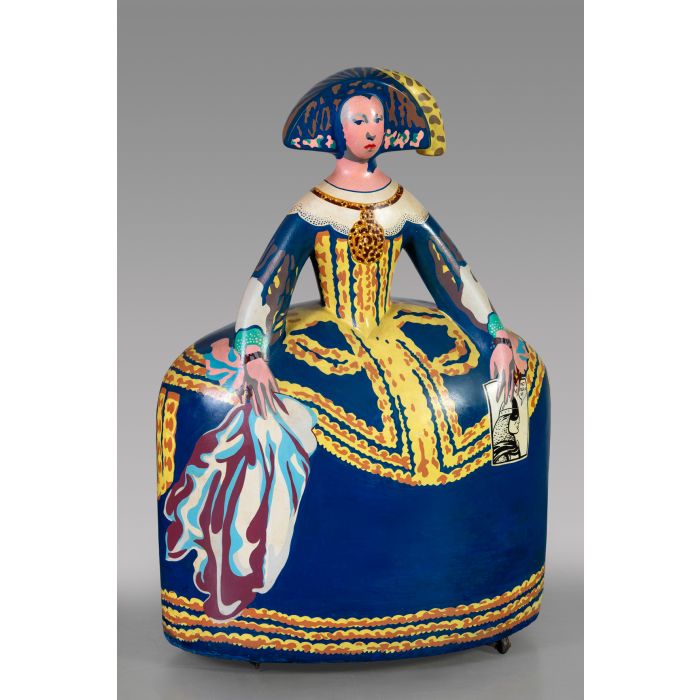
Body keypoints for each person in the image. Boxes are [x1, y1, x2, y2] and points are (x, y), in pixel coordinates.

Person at [158, 68, 550, 661]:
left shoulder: (402, 204)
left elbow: (451, 272)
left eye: (377, 120)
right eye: (358, 120)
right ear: (335, 132)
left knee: (517, 380)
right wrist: (254, 350)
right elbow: (269, 281)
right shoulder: (314, 208)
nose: (371, 129)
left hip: (403, 337)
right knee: (254, 411)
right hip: (335, 341)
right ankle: (269, 606)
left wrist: (494, 332)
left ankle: (493, 581)